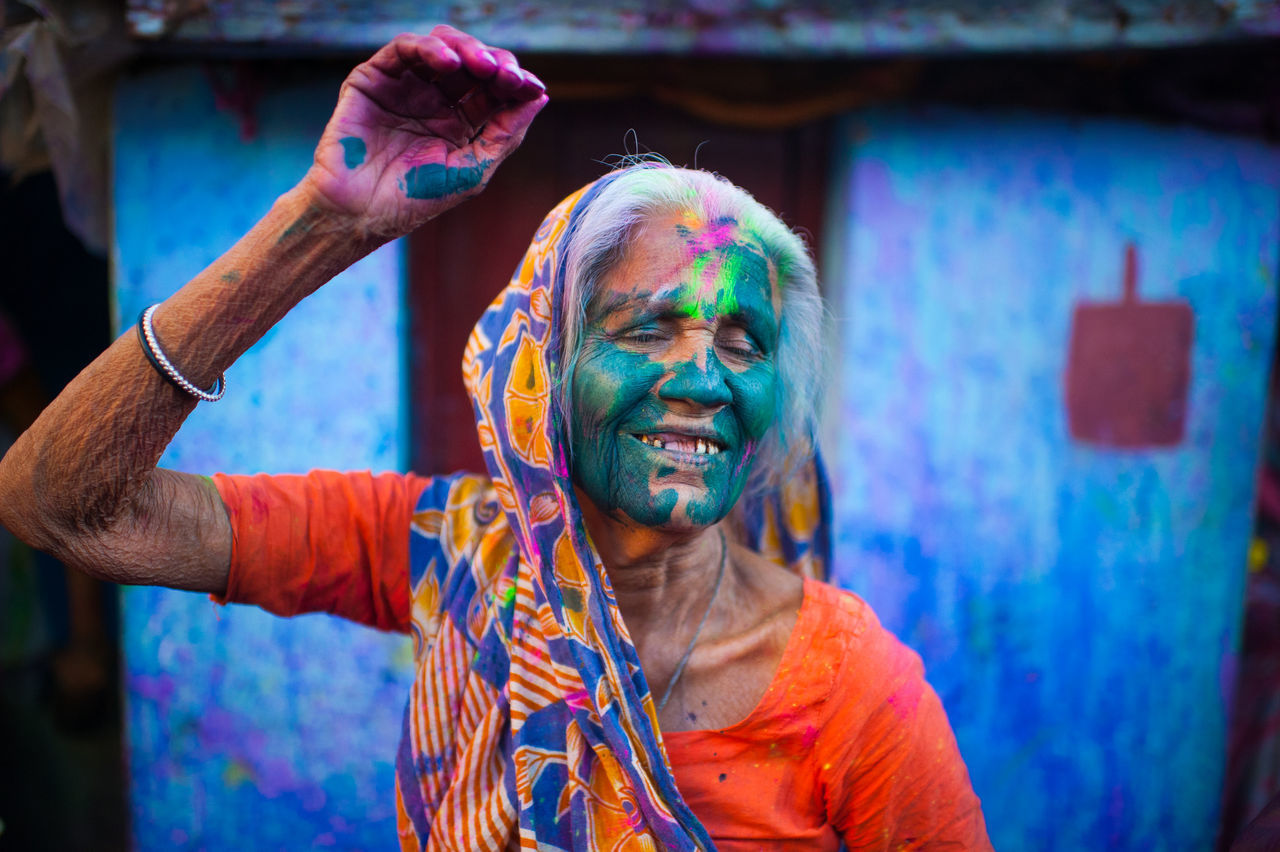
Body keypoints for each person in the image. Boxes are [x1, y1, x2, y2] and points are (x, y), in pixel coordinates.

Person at [0, 25, 991, 851]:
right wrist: (322, 223)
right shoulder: (446, 550)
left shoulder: (857, 692)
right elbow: (58, 504)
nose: (699, 377)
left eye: (743, 341)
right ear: (541, 372)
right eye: (646, 326)